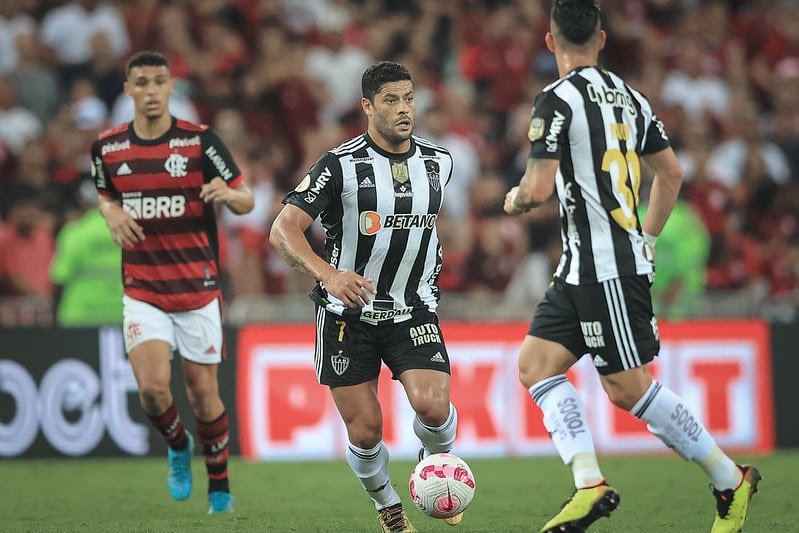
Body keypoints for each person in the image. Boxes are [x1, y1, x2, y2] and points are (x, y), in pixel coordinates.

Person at [502, 2, 761, 532]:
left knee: (627, 388)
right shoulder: (630, 97)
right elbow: (670, 174)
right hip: (583, 266)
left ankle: (729, 479)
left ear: (550, 43)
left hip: (605, 266)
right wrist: (647, 237)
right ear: (601, 38)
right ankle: (588, 484)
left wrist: (513, 201)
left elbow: (537, 188)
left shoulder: (555, 100)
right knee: (535, 365)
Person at [270, 61, 459, 533]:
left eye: (409, 98)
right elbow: (283, 229)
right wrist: (328, 273)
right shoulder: (339, 165)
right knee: (366, 429)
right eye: (391, 100)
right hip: (346, 315)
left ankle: (436, 470)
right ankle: (390, 512)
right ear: (367, 106)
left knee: (434, 409)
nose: (403, 109)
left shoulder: (440, 162)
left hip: (412, 307)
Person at [91, 50, 254, 514]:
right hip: (143, 288)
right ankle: (177, 445)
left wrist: (228, 195)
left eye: (159, 81)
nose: (150, 91)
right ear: (128, 90)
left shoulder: (201, 143)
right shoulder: (107, 149)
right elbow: (105, 196)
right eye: (140, 83)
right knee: (153, 390)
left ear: (170, 88)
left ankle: (219, 483)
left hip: (197, 288)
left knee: (204, 395)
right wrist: (111, 212)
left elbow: (247, 199)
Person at [50, 179, 123, 326]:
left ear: (82, 201)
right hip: (120, 314)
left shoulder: (75, 233)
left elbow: (59, 276)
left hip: (80, 316)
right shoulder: (128, 230)